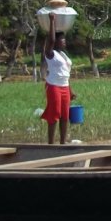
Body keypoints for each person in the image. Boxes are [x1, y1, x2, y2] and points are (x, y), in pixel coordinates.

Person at [41, 13, 76, 144]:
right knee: (54, 113)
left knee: (65, 114)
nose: (64, 42)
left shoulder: (63, 55)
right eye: (62, 40)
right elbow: (50, 40)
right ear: (56, 42)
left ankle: (63, 141)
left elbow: (66, 73)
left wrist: (70, 90)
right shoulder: (51, 54)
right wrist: (52, 21)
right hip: (54, 86)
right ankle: (50, 142)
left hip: (64, 86)